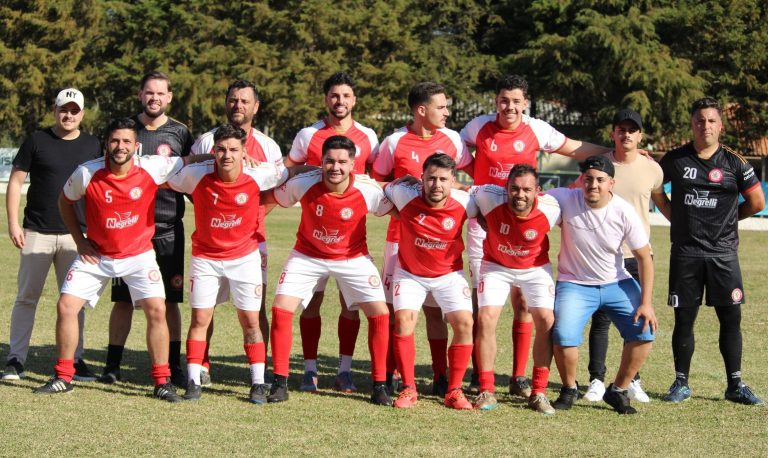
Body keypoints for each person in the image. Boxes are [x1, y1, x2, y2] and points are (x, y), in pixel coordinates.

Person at [460, 75, 612, 396]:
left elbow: (573, 148)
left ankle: (518, 376)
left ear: (525, 103)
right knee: (483, 305)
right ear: (495, 101)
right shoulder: (479, 127)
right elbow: (455, 149)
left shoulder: (536, 128)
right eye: (504, 100)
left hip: (524, 226)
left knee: (525, 305)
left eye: (516, 101)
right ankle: (479, 374)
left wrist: (613, 154)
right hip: (487, 224)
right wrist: (474, 178)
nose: (509, 107)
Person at [32, 117, 201, 401]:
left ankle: (162, 381)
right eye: (114, 141)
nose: (120, 147)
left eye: (126, 142)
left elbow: (188, 159)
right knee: (66, 306)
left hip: (139, 256)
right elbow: (65, 201)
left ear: (136, 146)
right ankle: (63, 376)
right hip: (97, 255)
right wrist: (80, 241)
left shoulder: (152, 166)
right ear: (105, 144)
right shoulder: (87, 173)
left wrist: (229, 153)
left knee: (157, 309)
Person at [263, 135, 393, 406]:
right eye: (330, 161)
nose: (336, 167)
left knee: (380, 314)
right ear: (320, 162)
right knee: (280, 309)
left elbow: (400, 212)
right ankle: (281, 381)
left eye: (342, 162)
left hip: (352, 257)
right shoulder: (303, 183)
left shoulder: (368, 189)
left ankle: (378, 384)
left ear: (353, 164)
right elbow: (270, 198)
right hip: (307, 255)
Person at [652, 97, 765, 405]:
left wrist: (730, 220)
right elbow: (654, 188)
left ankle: (735, 385)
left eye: (711, 121)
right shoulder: (675, 159)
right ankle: (681, 383)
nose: (705, 126)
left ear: (721, 126)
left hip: (723, 254)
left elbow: (757, 203)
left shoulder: (735, 163)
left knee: (731, 319)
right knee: (684, 320)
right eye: (700, 120)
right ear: (692, 125)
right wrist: (674, 216)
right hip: (686, 253)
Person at [168, 124, 288, 403]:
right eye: (220, 149)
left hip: (244, 259)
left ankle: (258, 382)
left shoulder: (260, 173)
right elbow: (165, 175)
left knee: (251, 321)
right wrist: (196, 159)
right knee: (200, 318)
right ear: (213, 151)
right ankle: (194, 381)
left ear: (244, 152)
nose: (227, 155)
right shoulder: (196, 175)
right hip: (206, 259)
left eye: (234, 149)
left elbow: (290, 173)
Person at [371, 81, 473, 396]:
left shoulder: (454, 140)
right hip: (400, 240)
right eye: (441, 107)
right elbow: (378, 181)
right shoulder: (394, 141)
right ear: (421, 110)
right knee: (395, 310)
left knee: (434, 311)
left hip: (440, 243)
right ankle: (390, 375)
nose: (447, 112)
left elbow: (469, 173)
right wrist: (402, 213)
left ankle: (442, 376)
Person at [285, 72, 380, 393]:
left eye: (346, 96)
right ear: (326, 99)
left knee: (350, 305)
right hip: (313, 235)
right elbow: (290, 167)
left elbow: (378, 178)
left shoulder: (368, 136)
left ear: (354, 100)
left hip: (351, 237)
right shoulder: (308, 135)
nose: (340, 102)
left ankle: (344, 370)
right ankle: (310, 370)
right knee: (310, 304)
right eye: (334, 96)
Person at [99, 71, 193, 387]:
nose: (154, 98)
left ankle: (174, 365)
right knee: (123, 300)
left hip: (167, 229)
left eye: (160, 94)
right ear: (141, 95)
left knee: (168, 301)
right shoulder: (126, 130)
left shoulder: (180, 132)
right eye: (148, 93)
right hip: (127, 231)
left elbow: (193, 174)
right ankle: (112, 365)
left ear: (169, 97)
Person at [190, 79, 285, 386]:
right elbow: (193, 181)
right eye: (233, 100)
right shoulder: (207, 141)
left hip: (252, 242)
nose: (238, 106)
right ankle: (202, 365)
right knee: (207, 306)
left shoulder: (268, 146)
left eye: (245, 101)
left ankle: (261, 367)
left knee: (255, 307)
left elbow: (277, 189)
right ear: (226, 103)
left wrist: (247, 214)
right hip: (212, 243)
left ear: (255, 107)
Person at [3, 88, 101, 381]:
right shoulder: (37, 140)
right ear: (55, 110)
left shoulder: (93, 145)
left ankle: (75, 360)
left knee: (75, 300)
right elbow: (16, 181)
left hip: (77, 236)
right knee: (26, 297)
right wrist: (12, 223)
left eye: (74, 110)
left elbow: (100, 189)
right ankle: (16, 359)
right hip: (37, 232)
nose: (68, 115)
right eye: (63, 109)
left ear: (82, 114)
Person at [548, 155, 657, 415]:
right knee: (563, 336)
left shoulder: (624, 211)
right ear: (581, 181)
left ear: (611, 183)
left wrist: (646, 303)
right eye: (588, 179)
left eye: (600, 180)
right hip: (574, 283)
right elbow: (532, 204)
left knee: (645, 332)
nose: (593, 185)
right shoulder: (564, 198)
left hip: (615, 282)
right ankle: (569, 388)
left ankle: (618, 389)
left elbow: (644, 258)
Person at [579, 109, 662, 404]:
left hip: (637, 255)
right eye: (621, 129)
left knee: (634, 319)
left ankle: (631, 380)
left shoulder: (653, 169)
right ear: (613, 133)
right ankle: (597, 379)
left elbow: (662, 202)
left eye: (632, 130)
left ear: (641, 135)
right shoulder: (601, 165)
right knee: (600, 321)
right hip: (602, 255)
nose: (626, 135)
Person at [385, 154, 475, 410]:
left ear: (453, 181)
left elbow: (493, 206)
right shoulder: (404, 193)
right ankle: (408, 388)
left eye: (443, 179)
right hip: (410, 274)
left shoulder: (466, 202)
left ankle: (453, 390)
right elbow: (385, 187)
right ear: (421, 179)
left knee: (465, 322)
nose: (437, 184)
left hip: (449, 274)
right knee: (403, 320)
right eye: (431, 178)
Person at [471, 164, 561, 414]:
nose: (520, 195)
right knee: (486, 317)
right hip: (495, 265)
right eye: (514, 189)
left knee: (546, 319)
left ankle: (538, 392)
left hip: (535, 268)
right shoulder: (489, 196)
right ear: (505, 188)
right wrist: (482, 218)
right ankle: (487, 389)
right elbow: (461, 192)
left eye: (526, 190)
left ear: (538, 191)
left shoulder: (551, 208)